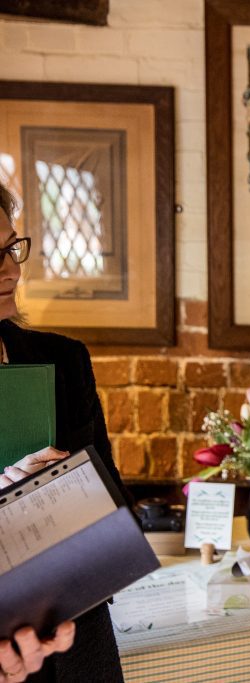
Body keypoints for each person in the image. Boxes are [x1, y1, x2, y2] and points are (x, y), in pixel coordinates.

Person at [0, 182, 128, 682]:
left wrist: (67, 487)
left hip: (77, 636)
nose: (10, 269)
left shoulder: (62, 358)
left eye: (11, 247)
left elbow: (113, 498)